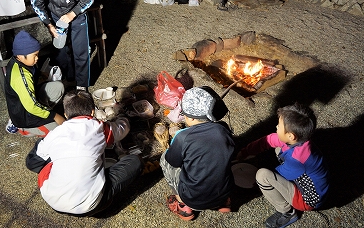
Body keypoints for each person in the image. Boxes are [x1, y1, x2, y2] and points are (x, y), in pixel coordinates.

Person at [25, 90, 143, 216]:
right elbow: (122, 129)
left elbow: (31, 163)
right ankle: (105, 202)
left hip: (54, 202)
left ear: (65, 114)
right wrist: (123, 117)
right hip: (91, 205)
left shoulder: (54, 134)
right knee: (135, 162)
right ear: (93, 112)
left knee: (46, 152)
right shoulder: (99, 127)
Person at [236, 103, 329, 228]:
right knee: (279, 149)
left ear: (291, 135)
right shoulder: (298, 140)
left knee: (262, 176)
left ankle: (287, 212)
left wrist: (255, 184)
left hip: (308, 198)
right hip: (304, 175)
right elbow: (268, 140)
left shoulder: (298, 159)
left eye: (279, 126)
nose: (276, 126)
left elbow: (277, 174)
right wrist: (245, 152)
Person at [160, 86, 235, 221]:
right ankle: (223, 203)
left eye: (184, 115)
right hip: (223, 193)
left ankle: (184, 205)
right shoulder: (224, 130)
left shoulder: (183, 137)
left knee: (164, 159)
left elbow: (173, 161)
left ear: (193, 119)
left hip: (194, 199)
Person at [31, 0, 94, 91]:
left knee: (80, 50)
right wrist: (49, 24)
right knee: (60, 49)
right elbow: (37, 6)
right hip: (57, 17)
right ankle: (66, 78)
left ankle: (81, 85)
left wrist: (72, 14)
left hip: (77, 15)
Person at [4, 30, 65, 137]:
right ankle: (21, 128)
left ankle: (44, 111)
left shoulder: (20, 60)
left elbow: (32, 73)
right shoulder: (20, 76)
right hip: (25, 115)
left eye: (37, 54)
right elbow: (31, 106)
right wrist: (54, 115)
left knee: (58, 87)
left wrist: (41, 74)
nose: (37, 58)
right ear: (21, 56)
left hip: (31, 100)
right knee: (58, 131)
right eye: (35, 55)